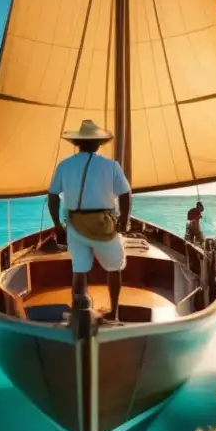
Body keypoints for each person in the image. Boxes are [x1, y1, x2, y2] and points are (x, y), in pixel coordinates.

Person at [47, 119, 132, 321]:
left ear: (78, 143)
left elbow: (52, 195)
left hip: (75, 224)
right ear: (98, 143)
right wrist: (124, 220)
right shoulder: (111, 166)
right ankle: (114, 312)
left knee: (80, 269)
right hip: (105, 225)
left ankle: (79, 312)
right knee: (114, 268)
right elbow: (125, 194)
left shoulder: (65, 165)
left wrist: (57, 224)